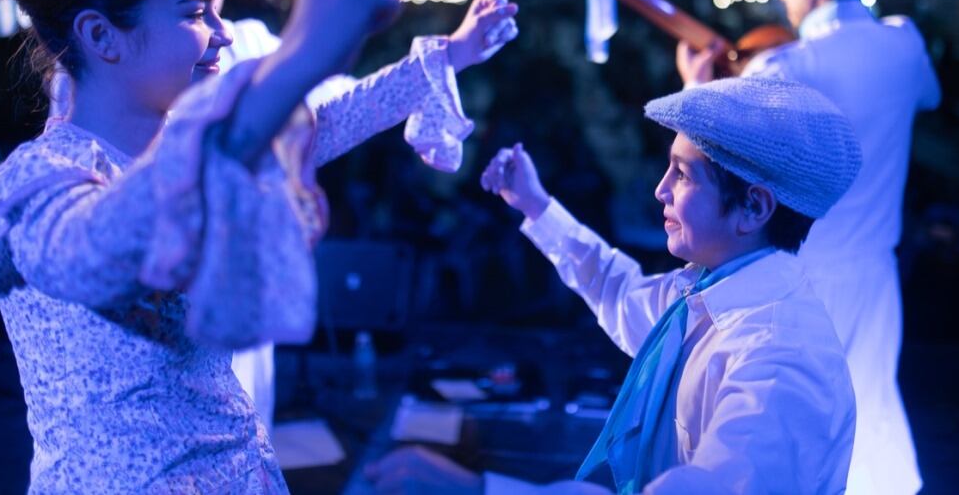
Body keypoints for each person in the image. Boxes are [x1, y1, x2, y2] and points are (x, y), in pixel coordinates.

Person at [0, 0, 491, 493]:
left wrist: (451, 55)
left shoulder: (176, 157)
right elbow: (94, 252)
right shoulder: (37, 181)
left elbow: (329, 121)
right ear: (101, 34)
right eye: (195, 12)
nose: (225, 32)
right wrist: (301, 53)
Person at [367, 76, 861, 495]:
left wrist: (474, 489)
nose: (660, 189)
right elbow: (621, 293)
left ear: (754, 207)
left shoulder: (779, 363)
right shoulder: (710, 294)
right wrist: (536, 206)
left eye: (683, 175)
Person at [677, 0, 940, 494]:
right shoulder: (903, 42)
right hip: (876, 269)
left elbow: (717, 154)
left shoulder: (789, 66)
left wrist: (697, 91)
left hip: (805, 274)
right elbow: (930, 93)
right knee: (869, 402)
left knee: (796, 421)